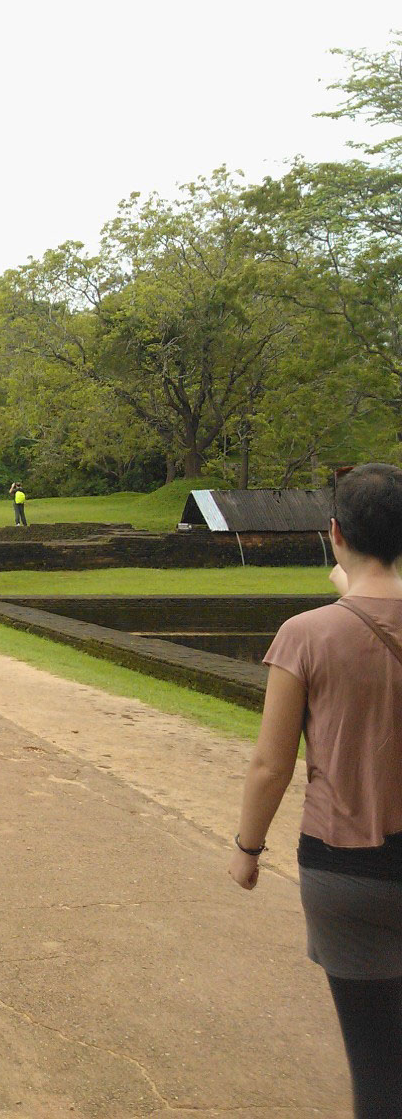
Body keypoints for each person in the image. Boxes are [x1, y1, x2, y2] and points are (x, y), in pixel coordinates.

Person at [229, 463, 402, 1117]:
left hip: (347, 869)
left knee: (378, 1064)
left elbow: (271, 765)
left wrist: (247, 848)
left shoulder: (305, 635)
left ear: (335, 533)